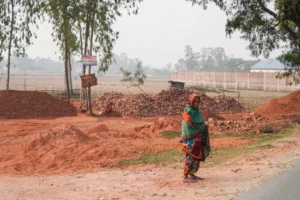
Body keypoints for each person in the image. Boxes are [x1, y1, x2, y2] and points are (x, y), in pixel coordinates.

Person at [180, 94, 210, 183]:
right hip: (190, 138)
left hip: (198, 138)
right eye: (195, 102)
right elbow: (187, 122)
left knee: (197, 156)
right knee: (190, 156)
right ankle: (185, 176)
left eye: (198, 101)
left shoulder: (197, 111)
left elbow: (200, 122)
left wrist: (202, 126)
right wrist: (193, 124)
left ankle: (192, 174)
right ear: (191, 102)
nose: (197, 103)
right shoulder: (188, 111)